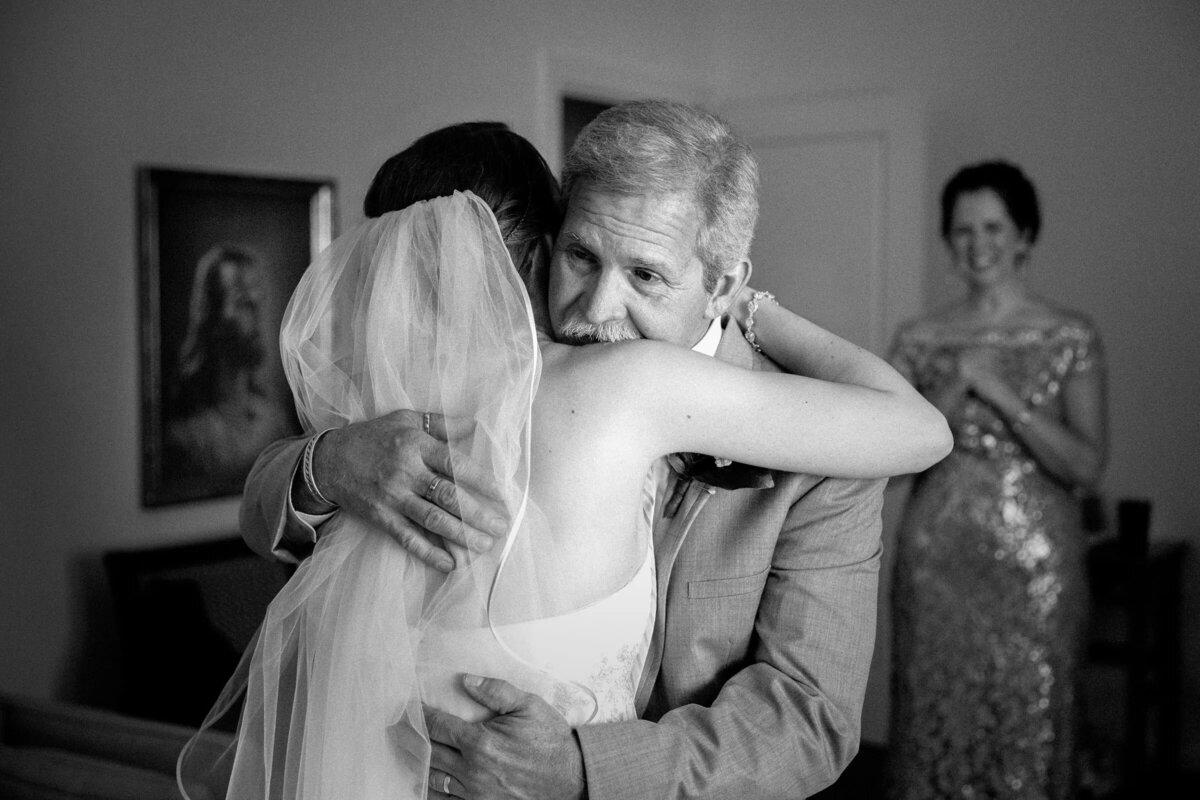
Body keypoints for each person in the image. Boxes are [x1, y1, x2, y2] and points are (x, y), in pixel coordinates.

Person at [239, 103, 950, 799]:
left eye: (645, 276)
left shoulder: (823, 455)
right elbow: (274, 518)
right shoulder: (445, 387)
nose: (596, 311)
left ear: (724, 283)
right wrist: (326, 463)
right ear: (546, 244)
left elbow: (807, 725)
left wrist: (585, 769)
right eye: (582, 257)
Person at [886, 160, 1107, 800]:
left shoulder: (1068, 333)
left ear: (1024, 236)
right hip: (936, 561)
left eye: (992, 227)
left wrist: (1003, 393)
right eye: (961, 231)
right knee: (934, 715)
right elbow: (891, 455)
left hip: (1035, 566)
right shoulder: (920, 337)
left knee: (1031, 720)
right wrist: (957, 383)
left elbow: (1087, 466)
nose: (977, 245)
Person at [166, 243, 291, 488]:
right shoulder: (187, 438)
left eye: (259, 298)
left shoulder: (275, 422)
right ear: (212, 318)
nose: (256, 311)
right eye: (242, 300)